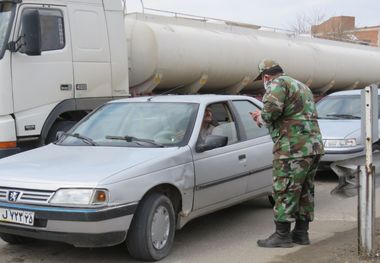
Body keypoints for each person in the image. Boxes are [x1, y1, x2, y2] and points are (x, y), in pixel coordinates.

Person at [251, 59, 324, 248]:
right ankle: (301, 233)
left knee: (284, 189)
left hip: (293, 148)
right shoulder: (301, 86)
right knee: (305, 190)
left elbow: (271, 112)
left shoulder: (277, 84)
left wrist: (260, 117)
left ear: (266, 76)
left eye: (262, 79)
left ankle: (282, 236)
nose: (264, 83)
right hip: (313, 145)